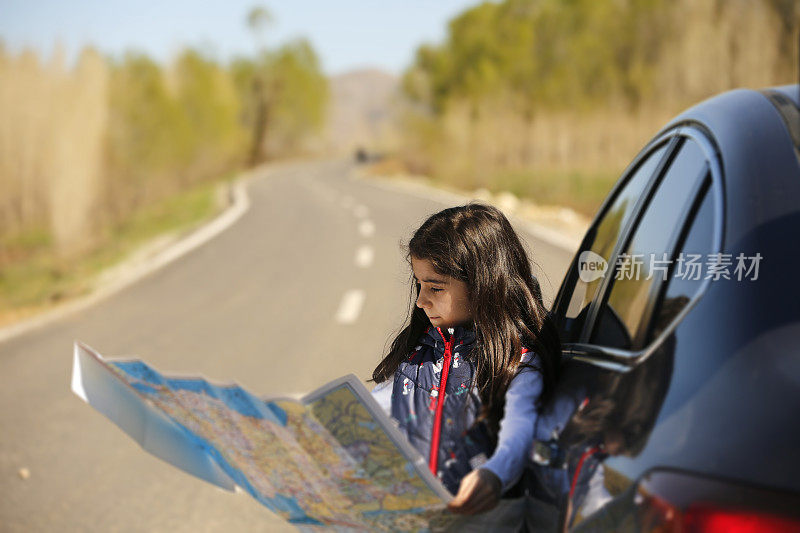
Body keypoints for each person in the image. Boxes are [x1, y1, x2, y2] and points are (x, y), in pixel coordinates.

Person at [370, 203, 561, 521]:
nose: (421, 301)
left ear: (482, 285)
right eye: (419, 285)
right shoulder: (418, 354)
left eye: (435, 287)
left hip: (481, 520)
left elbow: (518, 434)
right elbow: (372, 409)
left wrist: (494, 476)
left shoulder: (517, 363)